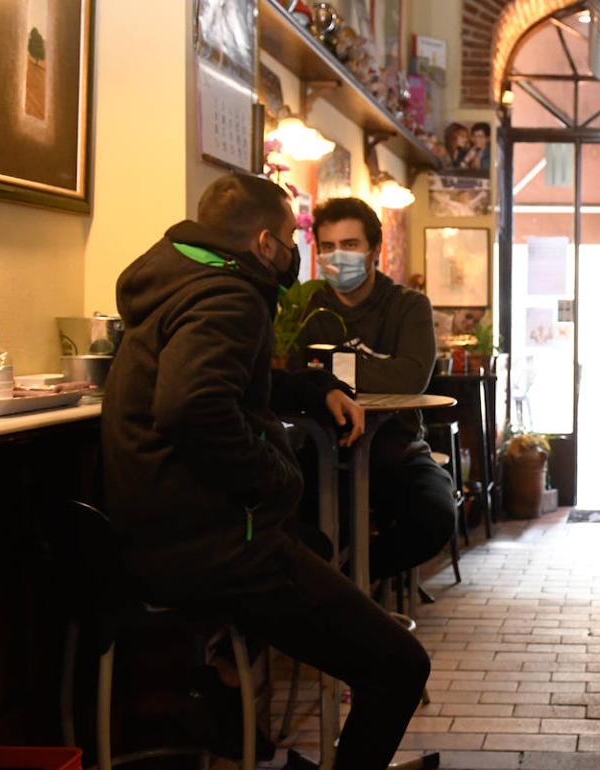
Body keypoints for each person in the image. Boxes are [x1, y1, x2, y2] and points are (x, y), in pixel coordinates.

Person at [101, 174, 431, 770]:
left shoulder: (179, 281)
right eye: (292, 238)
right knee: (401, 666)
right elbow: (193, 406)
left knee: (317, 543)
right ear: (263, 244)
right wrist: (277, 482)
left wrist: (311, 388)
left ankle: (224, 697)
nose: (300, 252)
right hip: (212, 547)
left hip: (155, 537)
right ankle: (221, 699)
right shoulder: (230, 296)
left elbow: (223, 383)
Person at [296, 197, 457, 579]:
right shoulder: (306, 307)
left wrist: (327, 375)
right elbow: (292, 373)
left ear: (374, 249)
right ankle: (329, 593)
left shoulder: (407, 306)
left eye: (350, 245)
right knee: (288, 520)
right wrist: (367, 372)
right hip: (321, 451)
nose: (339, 256)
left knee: (435, 517)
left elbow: (410, 379)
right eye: (329, 246)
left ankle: (354, 583)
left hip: (396, 450)